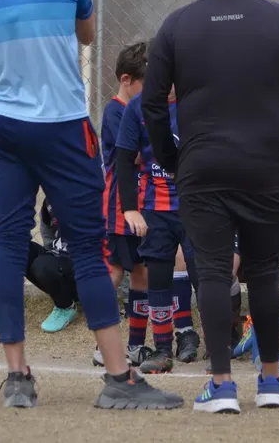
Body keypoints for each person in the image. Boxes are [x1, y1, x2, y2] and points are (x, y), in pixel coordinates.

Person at [0, 0, 181, 410]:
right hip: (60, 124)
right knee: (88, 247)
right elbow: (85, 34)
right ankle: (119, 379)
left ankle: (18, 379)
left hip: (3, 125)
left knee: (9, 243)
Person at [141, 0, 279, 413]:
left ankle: (220, 384)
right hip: (268, 166)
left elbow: (152, 104)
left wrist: (173, 160)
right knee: (264, 271)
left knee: (215, 272)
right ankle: (270, 380)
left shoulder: (176, 26)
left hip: (203, 167)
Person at [115, 87, 201, 374]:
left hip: (197, 205)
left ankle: (218, 347)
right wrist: (130, 208)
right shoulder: (137, 108)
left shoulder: (198, 101)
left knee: (203, 275)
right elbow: (124, 160)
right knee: (159, 276)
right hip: (156, 209)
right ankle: (163, 350)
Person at [93, 41, 154, 368]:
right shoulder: (117, 112)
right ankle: (103, 345)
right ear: (127, 80)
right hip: (120, 209)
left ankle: (134, 344)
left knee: (140, 270)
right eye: (146, 83)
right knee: (115, 270)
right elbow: (136, 156)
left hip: (142, 205)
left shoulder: (140, 111)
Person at [0, 198, 80, 335]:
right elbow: (49, 237)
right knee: (5, 246)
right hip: (59, 261)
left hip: (83, 269)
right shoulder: (51, 201)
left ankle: (65, 306)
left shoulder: (94, 197)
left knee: (43, 266)